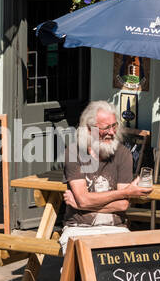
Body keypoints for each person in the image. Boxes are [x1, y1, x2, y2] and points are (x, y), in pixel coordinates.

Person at [59, 100, 148, 249]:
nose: (112, 132)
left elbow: (122, 204)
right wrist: (124, 192)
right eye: (106, 128)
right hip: (78, 229)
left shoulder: (123, 154)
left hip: (116, 229)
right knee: (79, 265)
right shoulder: (74, 153)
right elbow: (84, 200)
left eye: (114, 126)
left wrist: (83, 205)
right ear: (89, 129)